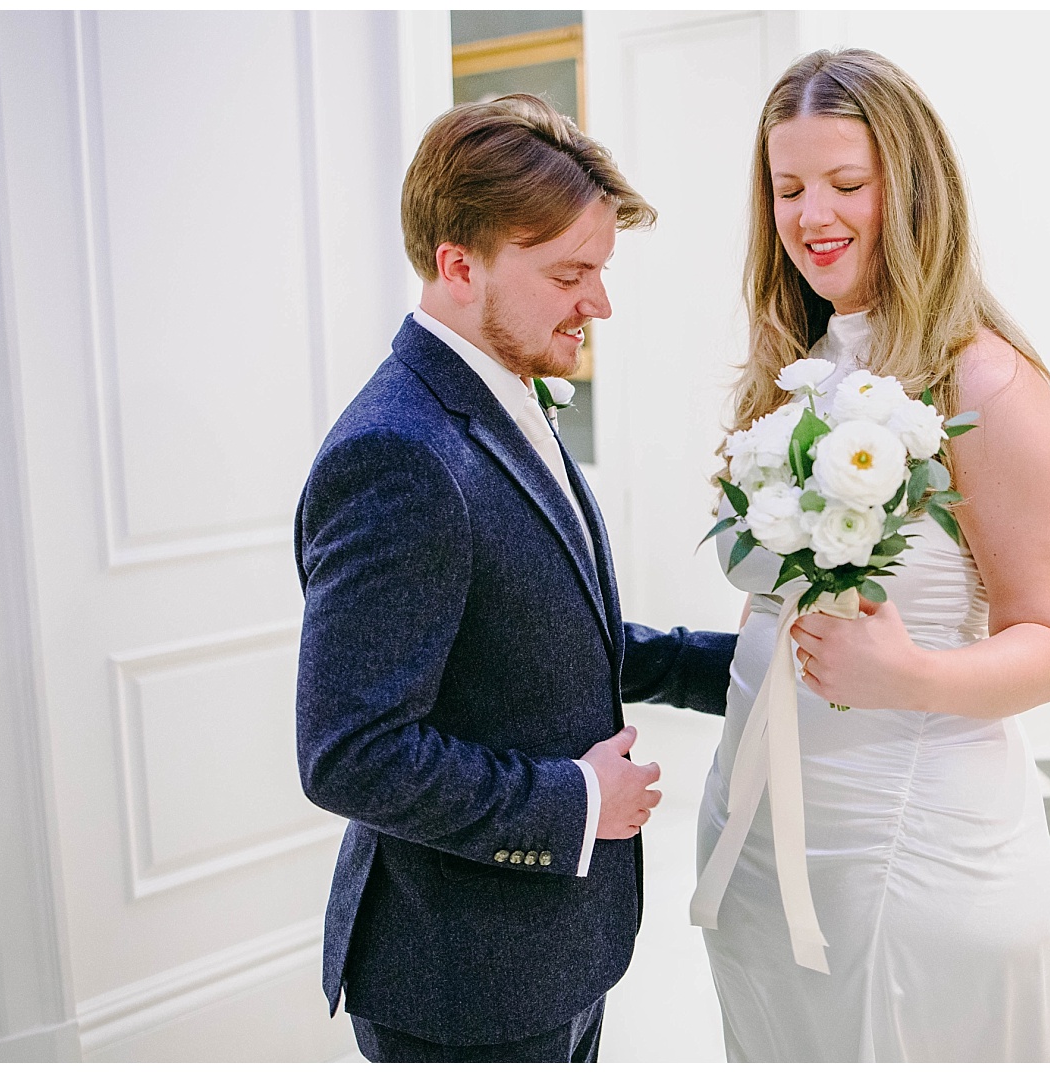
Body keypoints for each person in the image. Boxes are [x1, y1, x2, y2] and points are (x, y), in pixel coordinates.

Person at [294, 94, 736, 1063]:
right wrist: (576, 802)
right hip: (464, 983)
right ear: (459, 264)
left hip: (549, 953)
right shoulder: (396, 456)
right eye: (571, 273)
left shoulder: (503, 393)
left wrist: (737, 671)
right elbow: (348, 751)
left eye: (601, 270)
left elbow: (545, 630)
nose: (600, 303)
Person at [696, 50, 1050, 1061]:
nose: (810, 214)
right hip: (768, 838)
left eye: (845, 183)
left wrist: (911, 674)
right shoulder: (796, 368)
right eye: (787, 188)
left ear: (909, 189)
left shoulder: (985, 382)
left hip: (907, 853)